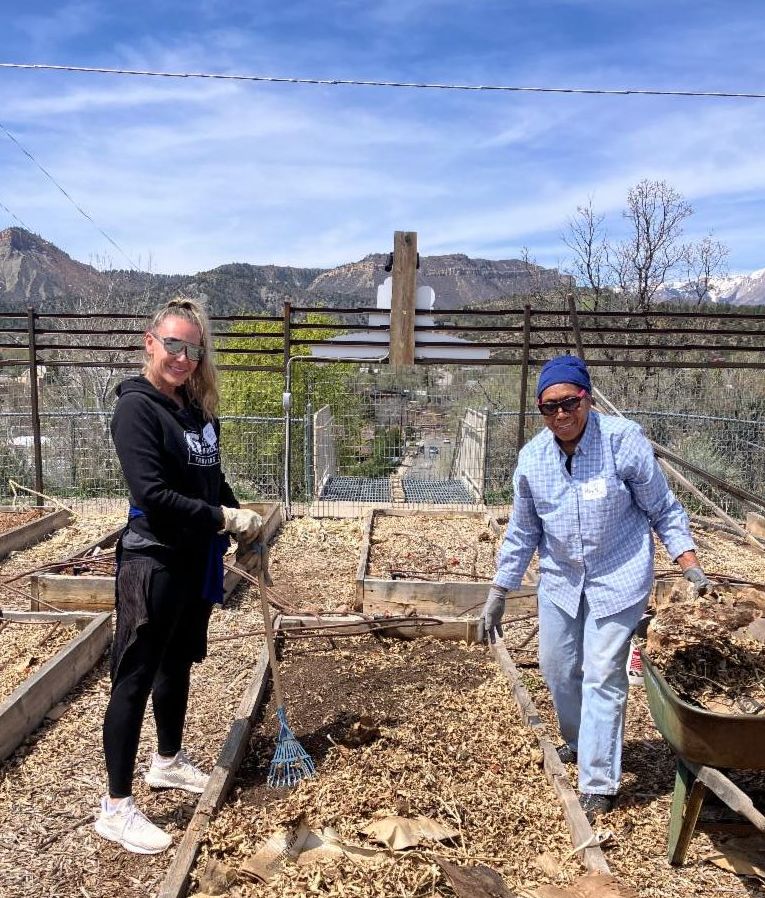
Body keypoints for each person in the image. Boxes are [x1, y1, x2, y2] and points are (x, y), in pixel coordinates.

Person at [480, 355, 709, 822]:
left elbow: (663, 508)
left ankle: (599, 780)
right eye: (549, 408)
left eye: (570, 403)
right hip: (562, 580)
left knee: (603, 673)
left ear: (586, 398)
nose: (561, 415)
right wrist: (499, 590)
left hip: (619, 576)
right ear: (540, 411)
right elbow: (523, 533)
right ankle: (578, 737)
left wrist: (688, 564)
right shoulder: (532, 460)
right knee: (559, 668)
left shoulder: (622, 443)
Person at [95, 297, 263, 854]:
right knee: (135, 675)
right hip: (154, 560)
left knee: (177, 664)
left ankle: (166, 760)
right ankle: (115, 807)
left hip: (195, 559)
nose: (184, 357)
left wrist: (245, 525)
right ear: (150, 342)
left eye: (193, 349)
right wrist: (222, 517)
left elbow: (211, 480)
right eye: (174, 345)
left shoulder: (195, 409)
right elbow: (154, 495)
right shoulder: (137, 411)